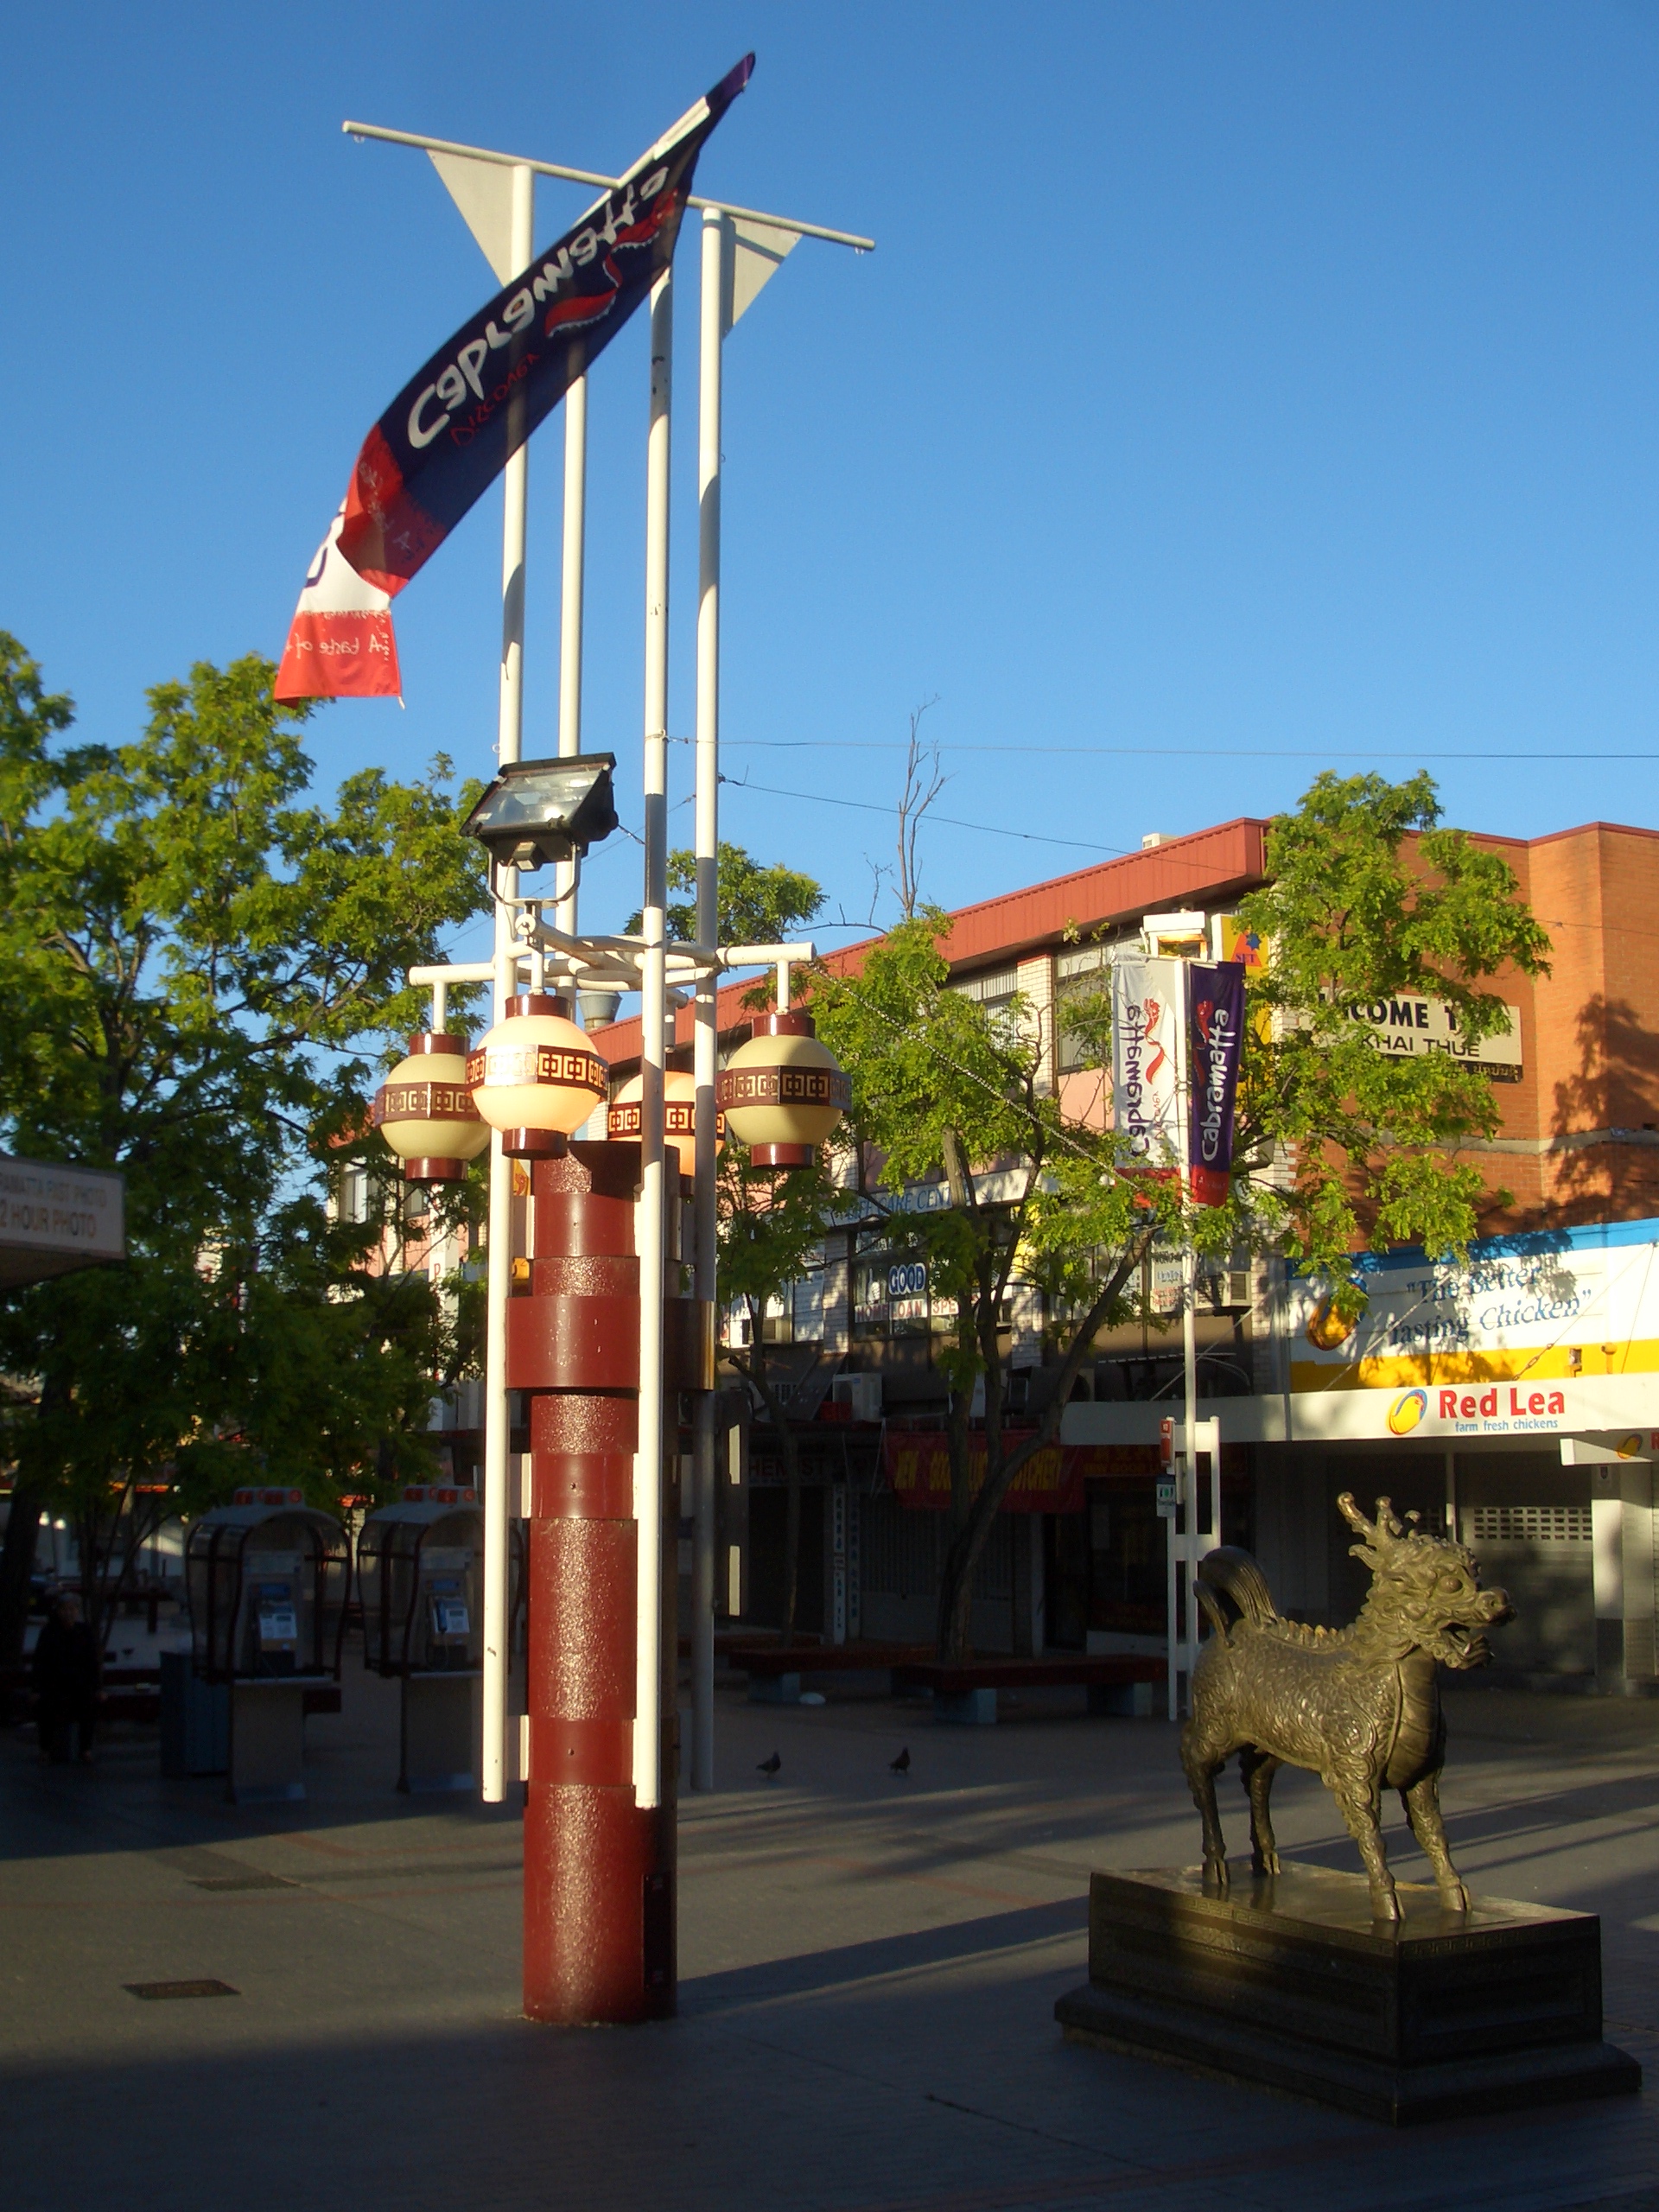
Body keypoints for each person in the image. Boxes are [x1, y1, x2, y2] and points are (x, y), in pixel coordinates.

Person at [32, 1592, 99, 1764]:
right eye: (65, 1609)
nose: (69, 1613)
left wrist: (98, 1687)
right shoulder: (49, 1632)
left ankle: (86, 1749)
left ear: (77, 1612)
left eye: (72, 1609)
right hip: (54, 1683)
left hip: (79, 1683)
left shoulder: (84, 1631)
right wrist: (36, 1689)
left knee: (88, 1704)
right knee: (46, 1706)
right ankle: (45, 1749)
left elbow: (92, 1662)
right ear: (58, 1611)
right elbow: (40, 1662)